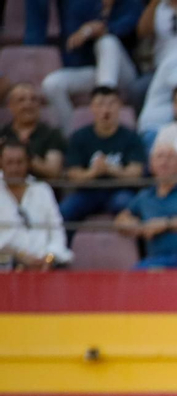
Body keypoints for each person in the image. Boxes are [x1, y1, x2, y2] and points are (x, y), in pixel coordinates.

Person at [41, 0, 141, 130]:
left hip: (124, 74)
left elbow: (127, 28)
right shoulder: (81, 4)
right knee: (51, 84)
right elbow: (71, 44)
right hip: (94, 71)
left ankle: (104, 98)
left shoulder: (132, 4)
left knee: (107, 41)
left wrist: (97, 29)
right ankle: (70, 134)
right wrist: (88, 33)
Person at [115, 140, 177, 268]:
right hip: (157, 262)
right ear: (151, 165)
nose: (164, 161)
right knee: (135, 278)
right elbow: (120, 220)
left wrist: (166, 224)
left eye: (170, 157)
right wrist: (138, 226)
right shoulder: (145, 195)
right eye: (159, 157)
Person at [60, 86, 146, 224]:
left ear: (119, 106)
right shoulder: (79, 137)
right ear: (92, 108)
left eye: (111, 104)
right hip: (88, 192)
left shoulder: (131, 137)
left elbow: (136, 173)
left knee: (128, 205)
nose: (106, 109)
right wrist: (93, 172)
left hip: (120, 191)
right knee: (65, 211)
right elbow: (73, 175)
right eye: (100, 104)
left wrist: (110, 169)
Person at [0, 138, 72, 269]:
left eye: (19, 162)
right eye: (9, 163)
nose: (15, 168)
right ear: (1, 163)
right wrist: (17, 256)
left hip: (44, 268)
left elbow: (57, 233)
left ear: (28, 163)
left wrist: (49, 258)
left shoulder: (42, 190)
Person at [2, 83, 68, 181]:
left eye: (33, 99)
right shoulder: (2, 133)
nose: (28, 104)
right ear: (10, 106)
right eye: (21, 100)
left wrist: (25, 156)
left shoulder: (52, 134)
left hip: (42, 191)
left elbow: (54, 172)